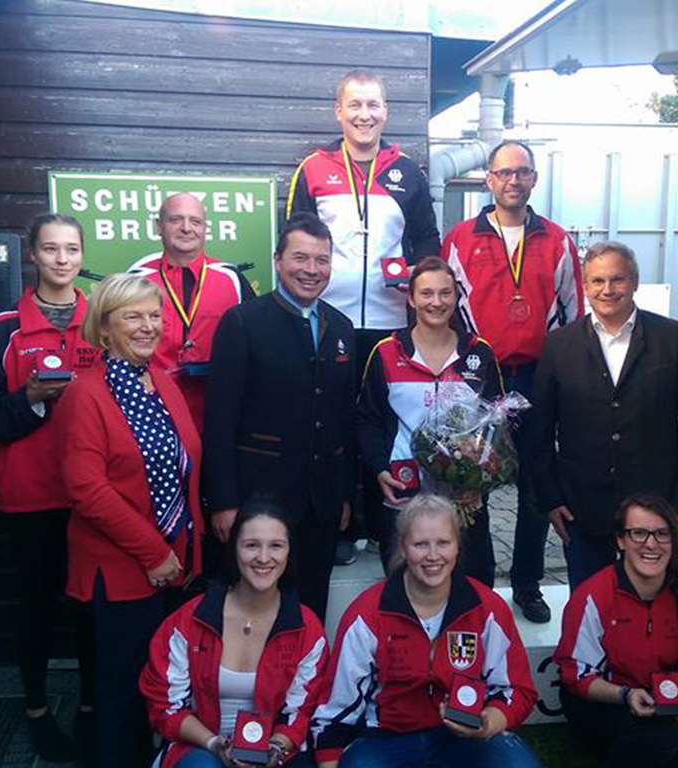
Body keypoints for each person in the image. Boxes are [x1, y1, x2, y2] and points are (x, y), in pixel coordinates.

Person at [288, 69, 442, 567]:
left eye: (373, 105)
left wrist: (414, 276)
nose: (364, 114)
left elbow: (427, 242)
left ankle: (383, 525)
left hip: (390, 320)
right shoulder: (313, 168)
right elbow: (296, 240)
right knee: (330, 424)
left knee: (383, 423)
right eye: (354, 105)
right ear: (339, 111)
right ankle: (339, 524)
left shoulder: (408, 172)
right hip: (327, 321)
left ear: (386, 111)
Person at [0, 213, 97, 762]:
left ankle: (90, 708)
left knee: (91, 605)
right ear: (34, 257)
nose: (62, 259)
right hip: (32, 495)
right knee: (39, 605)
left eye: (71, 249)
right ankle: (38, 710)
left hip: (92, 493)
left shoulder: (101, 321)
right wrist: (33, 399)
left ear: (82, 256)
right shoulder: (3, 329)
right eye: (51, 249)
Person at [59, 273, 205, 768]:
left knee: (164, 689)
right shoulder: (86, 394)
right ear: (104, 328)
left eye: (154, 316)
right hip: (121, 571)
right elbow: (88, 490)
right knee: (122, 694)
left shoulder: (162, 382)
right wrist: (154, 552)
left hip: (174, 566)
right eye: (133, 317)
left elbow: (184, 465)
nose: (148, 327)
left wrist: (181, 553)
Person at [443, 138, 584, 623]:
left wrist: (570, 379)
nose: (513, 181)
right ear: (488, 178)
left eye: (522, 172)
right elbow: (445, 309)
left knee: (536, 484)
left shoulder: (558, 240)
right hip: (481, 378)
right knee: (471, 481)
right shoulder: (461, 238)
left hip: (538, 377)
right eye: (503, 172)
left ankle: (526, 583)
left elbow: (574, 315)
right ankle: (477, 583)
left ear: (534, 179)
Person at [524, 241, 678, 588]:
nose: (607, 290)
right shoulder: (558, 345)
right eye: (597, 281)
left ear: (635, 282)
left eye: (617, 280)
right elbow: (539, 431)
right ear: (585, 285)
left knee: (651, 609)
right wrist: (551, 499)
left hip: (655, 506)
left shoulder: (674, 339)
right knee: (588, 611)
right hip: (582, 507)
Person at [310, 495, 541, 768]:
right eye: (420, 544)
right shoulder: (367, 614)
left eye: (443, 542)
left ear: (457, 546)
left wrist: (489, 722)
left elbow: (518, 690)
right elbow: (337, 707)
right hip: (386, 740)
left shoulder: (487, 608)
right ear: (402, 548)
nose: (433, 556)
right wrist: (329, 759)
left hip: (466, 737)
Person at [203, 213, 356, 620]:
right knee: (252, 611)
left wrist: (342, 495)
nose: (311, 270)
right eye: (300, 258)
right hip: (259, 501)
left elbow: (342, 418)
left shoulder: (341, 328)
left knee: (310, 611)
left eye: (321, 260)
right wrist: (223, 501)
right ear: (277, 260)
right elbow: (219, 420)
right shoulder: (243, 322)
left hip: (320, 504)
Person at [140, 501, 330, 768]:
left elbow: (302, 712)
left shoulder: (307, 629)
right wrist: (215, 744)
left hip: (277, 752)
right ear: (234, 550)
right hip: (201, 746)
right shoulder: (190, 620)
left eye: (276, 545)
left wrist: (271, 752)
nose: (264, 558)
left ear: (289, 552)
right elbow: (165, 706)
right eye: (251, 545)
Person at [357, 256, 503, 584]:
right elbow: (367, 419)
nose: (436, 302)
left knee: (473, 586)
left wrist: (481, 480)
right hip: (403, 489)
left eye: (445, 293)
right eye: (426, 294)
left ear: (457, 296)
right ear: (410, 298)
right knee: (404, 586)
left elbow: (496, 424)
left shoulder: (479, 354)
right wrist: (379, 468)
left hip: (463, 497)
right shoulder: (386, 352)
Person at [553, 495, 678, 767]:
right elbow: (577, 675)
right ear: (620, 540)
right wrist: (626, 695)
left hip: (668, 705)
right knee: (660, 737)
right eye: (639, 533)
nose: (651, 544)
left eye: (661, 534)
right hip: (605, 703)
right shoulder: (592, 597)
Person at [128, 192, 254, 431]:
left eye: (195, 221)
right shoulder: (136, 278)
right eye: (176, 220)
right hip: (152, 412)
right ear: (159, 226)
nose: (187, 228)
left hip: (217, 415)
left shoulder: (232, 279)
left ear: (205, 228)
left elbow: (254, 346)